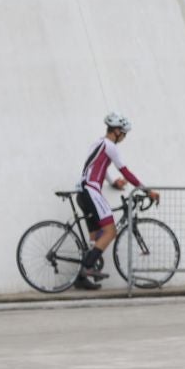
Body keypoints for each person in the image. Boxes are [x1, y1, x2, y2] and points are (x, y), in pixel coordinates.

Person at [74, 112, 158, 291]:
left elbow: (98, 168)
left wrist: (113, 183)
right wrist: (147, 191)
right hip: (91, 191)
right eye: (124, 134)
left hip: (82, 193)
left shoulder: (98, 143)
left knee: (96, 237)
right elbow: (126, 172)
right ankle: (86, 269)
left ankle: (83, 278)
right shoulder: (110, 146)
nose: (124, 137)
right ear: (117, 131)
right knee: (110, 232)